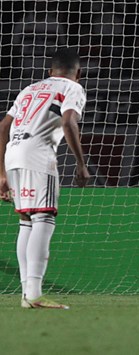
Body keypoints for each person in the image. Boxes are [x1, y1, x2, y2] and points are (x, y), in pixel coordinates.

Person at [0, 48, 90, 309]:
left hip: (13, 154)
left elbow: (3, 127)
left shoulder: (29, 89)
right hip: (38, 156)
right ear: (78, 73)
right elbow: (69, 122)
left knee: (26, 221)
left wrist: (1, 173)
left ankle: (27, 294)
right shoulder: (73, 88)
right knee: (43, 218)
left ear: (49, 72)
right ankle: (35, 294)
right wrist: (81, 164)